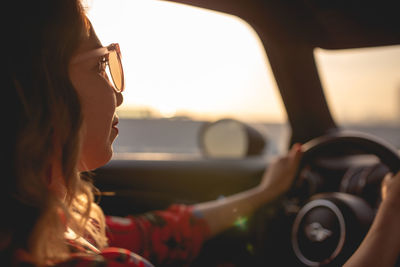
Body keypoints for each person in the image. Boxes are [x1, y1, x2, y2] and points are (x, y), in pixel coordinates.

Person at [1, 0, 303, 266]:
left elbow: (157, 233)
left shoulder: (52, 223)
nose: (117, 97)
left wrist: (263, 194)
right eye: (98, 65)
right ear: (39, 94)